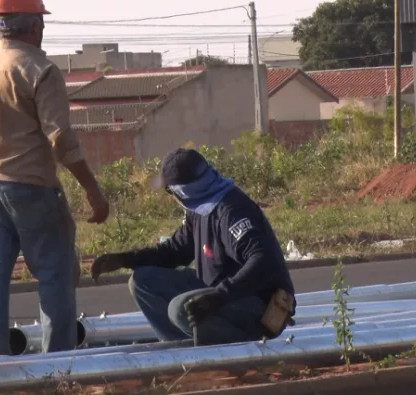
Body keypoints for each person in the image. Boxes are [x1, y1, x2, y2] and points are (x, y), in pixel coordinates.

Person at [0, 0, 110, 357]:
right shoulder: (40, 70)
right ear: (35, 24)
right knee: (55, 273)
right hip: (31, 187)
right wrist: (92, 190)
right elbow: (60, 138)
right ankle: (57, 366)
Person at [90, 148, 296, 346]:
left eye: (170, 190)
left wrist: (218, 296)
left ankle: (227, 355)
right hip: (222, 295)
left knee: (179, 309)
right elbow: (174, 251)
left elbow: (263, 261)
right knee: (142, 282)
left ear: (182, 191)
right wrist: (126, 259)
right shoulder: (200, 207)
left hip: (258, 306)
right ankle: (182, 351)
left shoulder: (230, 211)